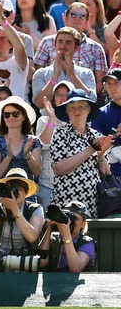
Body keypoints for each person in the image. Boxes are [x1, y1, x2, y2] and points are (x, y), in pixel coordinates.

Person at [51, 89, 112, 217]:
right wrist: (91, 149)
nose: (76, 110)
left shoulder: (97, 135)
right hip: (65, 203)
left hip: (92, 204)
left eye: (81, 106)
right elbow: (59, 168)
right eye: (72, 107)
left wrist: (100, 156)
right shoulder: (60, 134)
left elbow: (106, 173)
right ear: (67, 112)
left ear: (89, 110)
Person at [0, 168, 45, 271]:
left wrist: (15, 210)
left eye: (18, 188)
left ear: (26, 193)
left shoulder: (34, 209)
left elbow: (32, 236)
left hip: (23, 264)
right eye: (11, 188)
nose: (13, 192)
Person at [32, 26, 98, 110]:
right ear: (55, 45)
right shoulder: (41, 74)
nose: (63, 46)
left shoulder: (87, 73)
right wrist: (55, 76)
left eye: (68, 42)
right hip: (49, 120)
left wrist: (72, 75)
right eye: (60, 41)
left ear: (77, 48)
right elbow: (39, 104)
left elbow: (92, 100)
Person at [36, 81, 73, 209]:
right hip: (48, 185)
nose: (62, 98)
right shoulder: (44, 120)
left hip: (73, 186)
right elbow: (42, 145)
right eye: (58, 94)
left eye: (66, 94)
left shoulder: (80, 121)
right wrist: (52, 119)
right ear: (54, 99)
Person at [0, 96, 42, 181]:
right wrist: (8, 157)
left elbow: (36, 173)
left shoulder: (33, 141)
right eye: (6, 115)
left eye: (15, 114)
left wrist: (28, 155)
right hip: (4, 192)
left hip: (27, 191)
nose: (11, 118)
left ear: (24, 116)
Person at [38, 200, 97, 272]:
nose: (71, 222)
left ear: (83, 224)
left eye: (76, 219)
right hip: (51, 281)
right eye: (69, 218)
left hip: (75, 282)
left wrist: (66, 237)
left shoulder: (87, 243)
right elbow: (40, 262)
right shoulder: (54, 238)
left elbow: (75, 269)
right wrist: (49, 229)